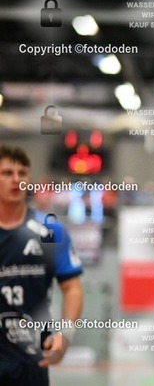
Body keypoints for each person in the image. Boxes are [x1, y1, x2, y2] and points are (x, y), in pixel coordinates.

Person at [0, 145, 83, 386]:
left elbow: (72, 288)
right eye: (7, 173)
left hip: (31, 361)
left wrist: (65, 335)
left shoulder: (49, 230)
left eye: (22, 173)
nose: (16, 179)